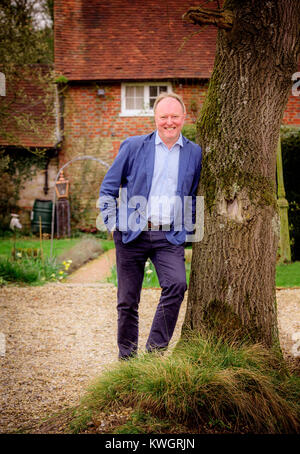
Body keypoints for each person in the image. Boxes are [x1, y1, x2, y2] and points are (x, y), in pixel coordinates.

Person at [100, 92, 202, 359]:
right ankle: (127, 358)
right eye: (163, 117)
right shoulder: (134, 146)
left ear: (183, 118)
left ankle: (154, 353)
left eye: (174, 116)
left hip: (168, 235)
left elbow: (192, 194)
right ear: (155, 119)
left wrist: (186, 229)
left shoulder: (194, 152)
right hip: (131, 234)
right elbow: (108, 187)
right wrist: (113, 223)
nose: (169, 122)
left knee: (177, 285)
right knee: (127, 301)